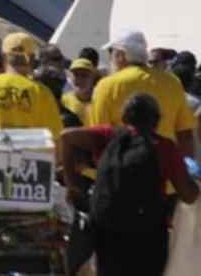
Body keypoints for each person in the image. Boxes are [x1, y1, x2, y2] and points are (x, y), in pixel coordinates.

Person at [63, 93, 199, 276]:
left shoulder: (108, 136)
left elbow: (66, 137)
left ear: (125, 117)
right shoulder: (164, 147)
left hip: (106, 228)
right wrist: (196, 184)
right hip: (146, 232)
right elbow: (188, 196)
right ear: (156, 121)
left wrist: (72, 184)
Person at [91, 29, 195, 157]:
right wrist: (185, 165)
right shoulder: (172, 82)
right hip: (165, 164)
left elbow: (98, 137)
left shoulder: (106, 86)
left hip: (123, 165)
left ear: (120, 55)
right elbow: (185, 134)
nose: (110, 58)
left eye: (111, 51)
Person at [0, 33, 63, 151]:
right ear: (31, 59)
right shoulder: (42, 92)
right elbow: (56, 138)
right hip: (29, 161)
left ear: (4, 58)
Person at [63, 57, 97, 124]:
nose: (79, 80)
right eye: (76, 75)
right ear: (70, 77)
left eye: (84, 75)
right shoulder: (64, 101)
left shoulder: (101, 99)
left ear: (93, 77)